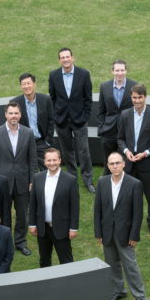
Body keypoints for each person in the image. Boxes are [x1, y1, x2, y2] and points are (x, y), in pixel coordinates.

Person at [94, 152, 149, 300]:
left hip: (125, 235)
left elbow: (137, 213)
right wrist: (99, 231)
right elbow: (98, 210)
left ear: (124, 164)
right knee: (112, 264)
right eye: (111, 164)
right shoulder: (102, 182)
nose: (115, 166)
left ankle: (141, 299)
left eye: (118, 163)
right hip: (107, 233)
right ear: (108, 166)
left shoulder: (134, 184)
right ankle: (119, 291)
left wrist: (134, 235)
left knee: (131, 267)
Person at [0, 101, 38, 256]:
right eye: (11, 113)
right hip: (2, 181)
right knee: (3, 215)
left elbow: (32, 159)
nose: (14, 116)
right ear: (6, 115)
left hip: (22, 181)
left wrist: (32, 179)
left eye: (16, 113)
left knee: (22, 215)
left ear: (20, 115)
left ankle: (21, 242)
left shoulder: (28, 133)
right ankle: (4, 242)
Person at [116, 83, 150, 235]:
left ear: (145, 97)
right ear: (131, 98)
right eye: (134, 98)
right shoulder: (125, 115)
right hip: (130, 164)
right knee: (128, 195)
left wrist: (145, 153)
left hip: (147, 164)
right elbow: (120, 138)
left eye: (140, 98)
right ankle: (128, 221)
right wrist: (126, 152)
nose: (137, 101)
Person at [48, 47, 95, 193]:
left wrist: (85, 116)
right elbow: (53, 97)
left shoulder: (84, 74)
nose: (65, 59)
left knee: (84, 151)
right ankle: (72, 178)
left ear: (72, 58)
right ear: (59, 60)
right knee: (67, 151)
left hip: (79, 120)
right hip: (61, 120)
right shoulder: (54, 75)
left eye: (67, 57)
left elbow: (88, 98)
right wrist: (57, 115)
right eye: (62, 57)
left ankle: (88, 181)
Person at [28, 147, 80, 267]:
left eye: (54, 160)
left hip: (62, 228)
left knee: (66, 261)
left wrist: (73, 228)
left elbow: (74, 207)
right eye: (49, 160)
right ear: (45, 161)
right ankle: (45, 284)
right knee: (44, 260)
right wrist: (32, 224)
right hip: (42, 228)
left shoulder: (70, 180)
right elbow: (33, 203)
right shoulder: (37, 178)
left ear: (60, 160)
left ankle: (69, 284)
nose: (52, 163)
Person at [97, 59, 137, 168]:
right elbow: (101, 110)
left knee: (125, 164)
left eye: (122, 70)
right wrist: (101, 128)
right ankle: (107, 183)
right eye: (117, 70)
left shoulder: (134, 86)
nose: (119, 73)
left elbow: (137, 108)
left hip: (126, 131)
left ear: (126, 71)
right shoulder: (104, 86)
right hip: (108, 131)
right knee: (109, 163)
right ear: (112, 71)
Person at [13, 73, 54, 170]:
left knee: (47, 171)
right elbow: (13, 124)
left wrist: (47, 142)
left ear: (34, 84)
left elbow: (51, 121)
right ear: (21, 86)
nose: (26, 86)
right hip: (24, 144)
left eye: (29, 83)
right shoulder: (15, 103)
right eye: (24, 84)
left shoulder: (45, 100)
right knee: (29, 173)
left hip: (42, 143)